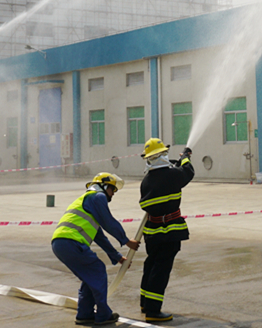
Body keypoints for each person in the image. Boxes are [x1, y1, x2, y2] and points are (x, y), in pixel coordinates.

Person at [52, 172, 139, 326]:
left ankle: (85, 314)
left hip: (60, 244)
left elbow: (99, 236)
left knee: (89, 276)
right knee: (97, 270)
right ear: (104, 186)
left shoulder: (86, 201)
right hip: (71, 242)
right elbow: (108, 221)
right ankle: (103, 314)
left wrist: (118, 257)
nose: (113, 194)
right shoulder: (97, 197)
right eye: (113, 190)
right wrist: (125, 240)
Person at [137, 138, 195, 322]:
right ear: (162, 156)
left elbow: (167, 178)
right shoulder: (173, 176)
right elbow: (188, 172)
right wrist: (185, 157)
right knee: (161, 269)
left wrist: (178, 165)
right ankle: (153, 311)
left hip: (152, 232)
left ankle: (145, 302)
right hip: (169, 232)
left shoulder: (146, 181)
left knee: (151, 264)